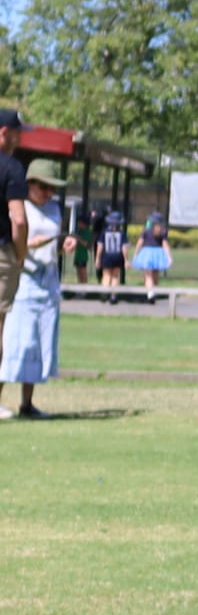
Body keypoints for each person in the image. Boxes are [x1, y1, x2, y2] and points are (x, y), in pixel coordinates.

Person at [0, 159, 77, 419]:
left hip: (48, 280)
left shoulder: (54, 209)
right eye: (43, 187)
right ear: (29, 185)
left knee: (38, 344)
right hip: (26, 279)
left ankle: (27, 403)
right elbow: (16, 240)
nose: (48, 193)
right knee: (15, 342)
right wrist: (30, 245)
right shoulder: (20, 209)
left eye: (52, 188)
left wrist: (62, 245)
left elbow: (53, 244)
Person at [0, 109, 28, 323]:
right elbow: (18, 219)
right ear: (5, 133)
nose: (20, 138)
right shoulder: (12, 167)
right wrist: (20, 255)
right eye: (18, 133)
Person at [133, 212, 173, 296]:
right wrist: (169, 256)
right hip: (158, 253)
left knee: (148, 275)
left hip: (146, 253)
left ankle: (150, 293)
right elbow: (165, 244)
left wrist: (136, 253)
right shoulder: (163, 231)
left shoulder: (146, 230)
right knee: (155, 273)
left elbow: (140, 242)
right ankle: (154, 290)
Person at [94, 207, 129, 293]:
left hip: (106, 256)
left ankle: (105, 292)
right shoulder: (122, 233)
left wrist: (98, 259)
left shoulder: (104, 232)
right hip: (117, 256)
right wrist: (126, 260)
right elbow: (124, 247)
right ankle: (113, 295)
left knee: (106, 275)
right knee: (115, 276)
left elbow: (100, 246)